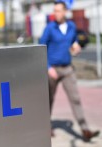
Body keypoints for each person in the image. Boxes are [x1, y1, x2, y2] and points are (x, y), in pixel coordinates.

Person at [39, 1, 100, 142]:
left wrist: (76, 48)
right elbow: (40, 49)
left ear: (65, 11)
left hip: (67, 69)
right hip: (52, 70)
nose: (56, 13)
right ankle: (46, 127)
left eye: (59, 10)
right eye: (55, 11)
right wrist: (48, 68)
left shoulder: (72, 26)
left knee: (76, 99)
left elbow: (74, 43)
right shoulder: (49, 28)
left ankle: (85, 130)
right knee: (49, 100)